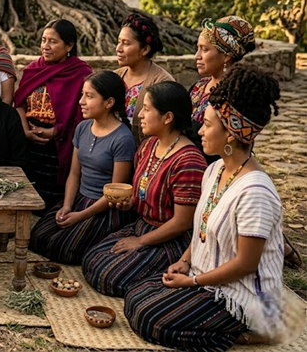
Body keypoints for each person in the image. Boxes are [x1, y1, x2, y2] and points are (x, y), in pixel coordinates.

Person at [124, 63, 299, 351]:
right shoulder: (215, 170)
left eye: (206, 124)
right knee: (135, 297)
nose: (200, 130)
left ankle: (257, 327)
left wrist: (192, 282)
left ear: (230, 133)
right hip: (207, 278)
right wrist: (184, 262)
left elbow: (245, 265)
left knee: (151, 320)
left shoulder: (255, 192)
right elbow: (201, 227)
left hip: (241, 295)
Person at [82, 81, 206, 297]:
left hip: (170, 238)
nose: (140, 114)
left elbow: (182, 222)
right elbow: (141, 192)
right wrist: (128, 202)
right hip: (142, 225)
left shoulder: (188, 161)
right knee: (91, 259)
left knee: (109, 276)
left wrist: (140, 242)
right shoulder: (149, 146)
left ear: (167, 117)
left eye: (147, 109)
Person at [30, 71, 136, 264]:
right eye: (82, 95)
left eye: (89, 96)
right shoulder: (82, 128)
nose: (81, 101)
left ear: (109, 102)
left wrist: (79, 216)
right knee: (38, 236)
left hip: (103, 207)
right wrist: (67, 206)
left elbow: (115, 193)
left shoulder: (122, 139)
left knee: (63, 249)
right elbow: (74, 173)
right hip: (79, 199)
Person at [14, 19, 93, 210]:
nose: (46, 46)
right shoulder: (34, 70)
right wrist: (25, 130)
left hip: (61, 144)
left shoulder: (80, 73)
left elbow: (81, 114)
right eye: (43, 40)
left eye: (53, 41)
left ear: (69, 46)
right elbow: (19, 103)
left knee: (52, 198)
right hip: (30, 142)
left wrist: (55, 132)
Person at [189, 16, 255, 163]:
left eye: (205, 49)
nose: (197, 56)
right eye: (197, 48)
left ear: (226, 56)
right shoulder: (198, 87)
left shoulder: (236, 94)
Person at [114, 13, 174, 144]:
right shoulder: (114, 77)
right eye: (119, 42)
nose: (118, 49)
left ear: (145, 49)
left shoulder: (161, 83)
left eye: (126, 43)